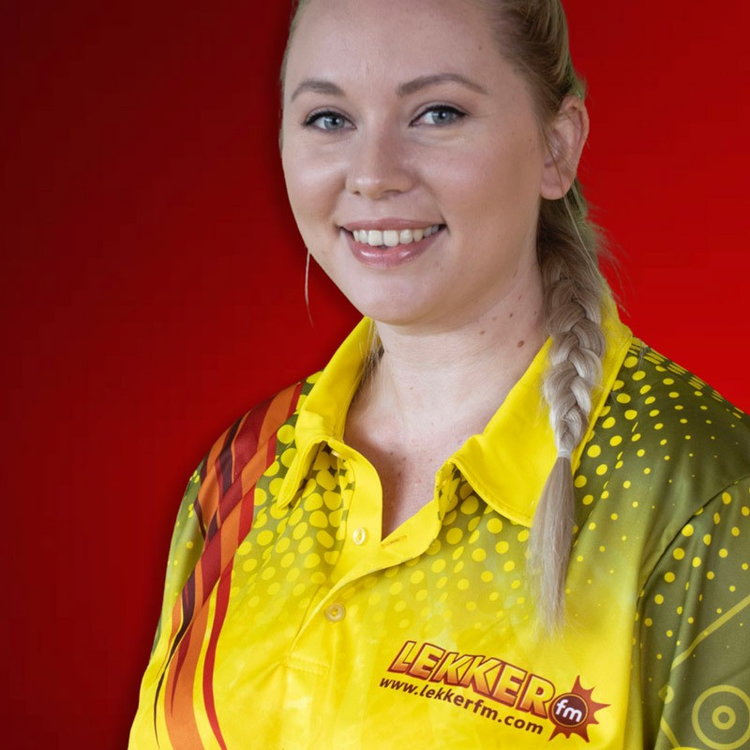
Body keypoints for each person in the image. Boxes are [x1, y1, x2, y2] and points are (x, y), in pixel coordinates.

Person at [129, 0, 750, 747]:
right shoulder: (243, 470)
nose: (373, 176)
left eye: (438, 113)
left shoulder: (700, 495)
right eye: (329, 118)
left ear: (557, 147)